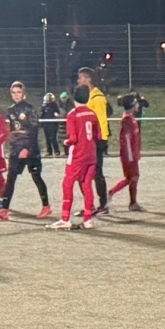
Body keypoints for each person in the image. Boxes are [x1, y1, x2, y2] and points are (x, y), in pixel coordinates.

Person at [0, 81, 50, 220]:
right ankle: (4, 209)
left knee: (36, 177)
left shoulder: (30, 109)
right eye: (14, 92)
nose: (16, 95)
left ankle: (46, 206)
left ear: (24, 93)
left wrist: (27, 148)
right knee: (10, 178)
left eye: (19, 92)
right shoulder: (11, 110)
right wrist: (13, 145)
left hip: (30, 149)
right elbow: (14, 130)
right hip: (16, 149)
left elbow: (34, 130)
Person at [52, 84, 102, 229]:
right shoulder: (92, 114)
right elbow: (98, 136)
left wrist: (66, 142)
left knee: (67, 183)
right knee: (87, 186)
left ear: (73, 97)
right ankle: (88, 220)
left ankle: (65, 218)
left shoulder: (72, 115)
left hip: (78, 155)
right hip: (91, 154)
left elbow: (73, 138)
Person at [77, 67, 111, 212]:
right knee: (83, 174)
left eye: (81, 78)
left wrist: (101, 140)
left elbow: (101, 120)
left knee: (96, 173)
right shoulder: (88, 97)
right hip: (87, 140)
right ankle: (89, 205)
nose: (79, 81)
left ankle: (103, 205)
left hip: (96, 141)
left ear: (88, 79)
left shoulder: (98, 98)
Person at [108, 93, 144, 210]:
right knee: (133, 177)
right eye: (136, 103)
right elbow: (127, 140)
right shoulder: (127, 120)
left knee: (132, 178)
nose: (138, 105)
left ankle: (130, 201)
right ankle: (131, 203)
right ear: (133, 105)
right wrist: (131, 156)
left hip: (132, 154)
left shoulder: (131, 118)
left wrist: (137, 152)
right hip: (129, 155)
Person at [40, 92, 63, 156]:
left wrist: (56, 114)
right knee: (47, 138)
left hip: (53, 124)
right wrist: (41, 123)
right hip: (46, 124)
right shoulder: (44, 106)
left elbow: (57, 112)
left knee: (53, 137)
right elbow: (41, 114)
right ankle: (49, 151)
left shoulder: (54, 105)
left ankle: (57, 151)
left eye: (49, 99)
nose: (48, 100)